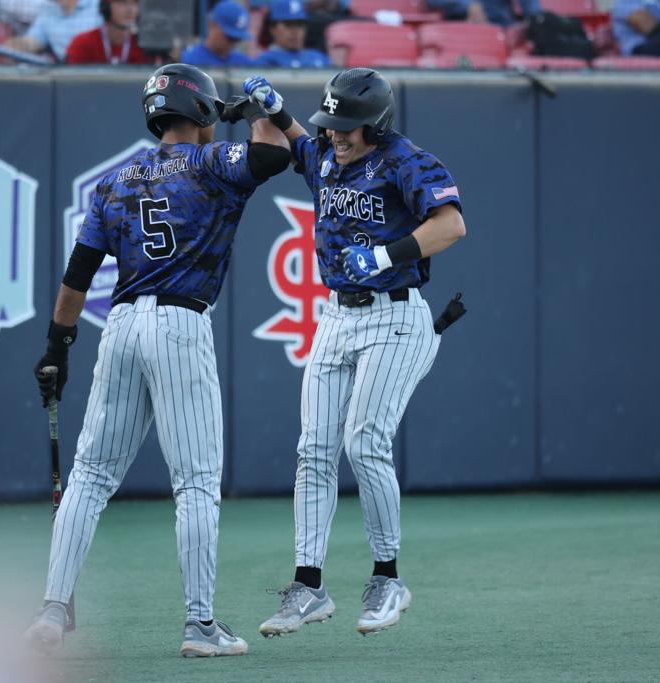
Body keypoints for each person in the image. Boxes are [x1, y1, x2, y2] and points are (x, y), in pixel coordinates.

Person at [22, 63, 292, 658]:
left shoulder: (117, 181)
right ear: (199, 111)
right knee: (196, 481)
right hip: (178, 320)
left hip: (118, 324)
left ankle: (49, 610)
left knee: (89, 477)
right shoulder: (210, 161)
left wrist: (56, 346)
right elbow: (273, 155)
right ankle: (200, 626)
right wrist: (250, 111)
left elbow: (77, 277)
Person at [239, 69, 466, 637]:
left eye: (348, 127)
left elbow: (452, 224)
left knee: (365, 442)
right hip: (337, 316)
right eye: (331, 123)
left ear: (377, 124)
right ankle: (309, 587)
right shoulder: (326, 150)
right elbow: (300, 145)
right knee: (313, 450)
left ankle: (389, 578)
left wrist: (390, 254)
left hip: (395, 312)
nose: (336, 135)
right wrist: (277, 108)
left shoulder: (405, 159)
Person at [5, 0, 100, 62]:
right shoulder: (49, 12)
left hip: (99, 72)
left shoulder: (99, 6)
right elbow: (32, 41)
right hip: (66, 77)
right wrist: (16, 45)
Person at [65, 0, 154, 64]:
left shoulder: (146, 46)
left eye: (135, 3)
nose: (130, 10)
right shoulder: (82, 43)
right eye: (122, 2)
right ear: (105, 8)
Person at [256, 0, 331, 68]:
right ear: (272, 29)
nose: (295, 31)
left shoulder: (318, 56)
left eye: (300, 24)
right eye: (288, 24)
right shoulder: (266, 60)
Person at [181, 0, 256, 66]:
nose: (233, 43)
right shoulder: (188, 60)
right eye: (230, 37)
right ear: (212, 24)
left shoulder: (244, 62)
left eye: (237, 39)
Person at [428, 0, 539, 26]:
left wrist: (537, 20)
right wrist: (468, 5)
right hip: (461, 25)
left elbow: (532, 9)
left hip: (502, 26)